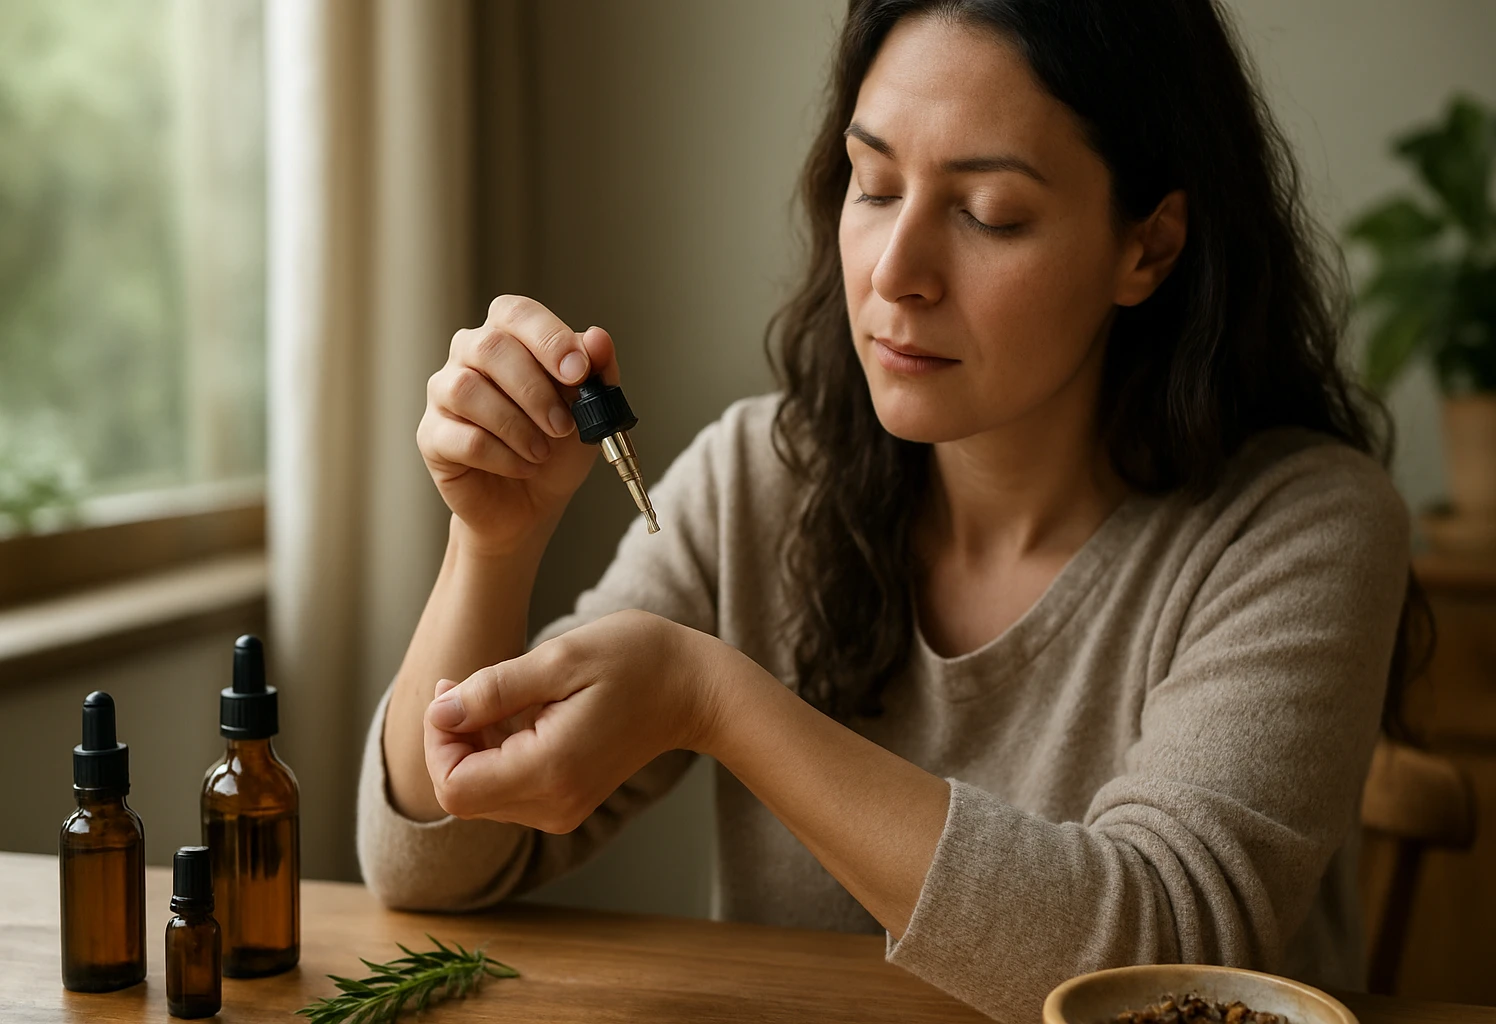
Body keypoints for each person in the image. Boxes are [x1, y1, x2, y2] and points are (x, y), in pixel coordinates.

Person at [356, 1, 1424, 1018]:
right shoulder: (761, 477)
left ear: (1147, 246)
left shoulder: (1303, 524)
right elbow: (430, 858)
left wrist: (715, 701)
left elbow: (1162, 971)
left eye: (988, 213)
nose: (896, 272)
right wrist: (492, 543)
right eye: (873, 186)